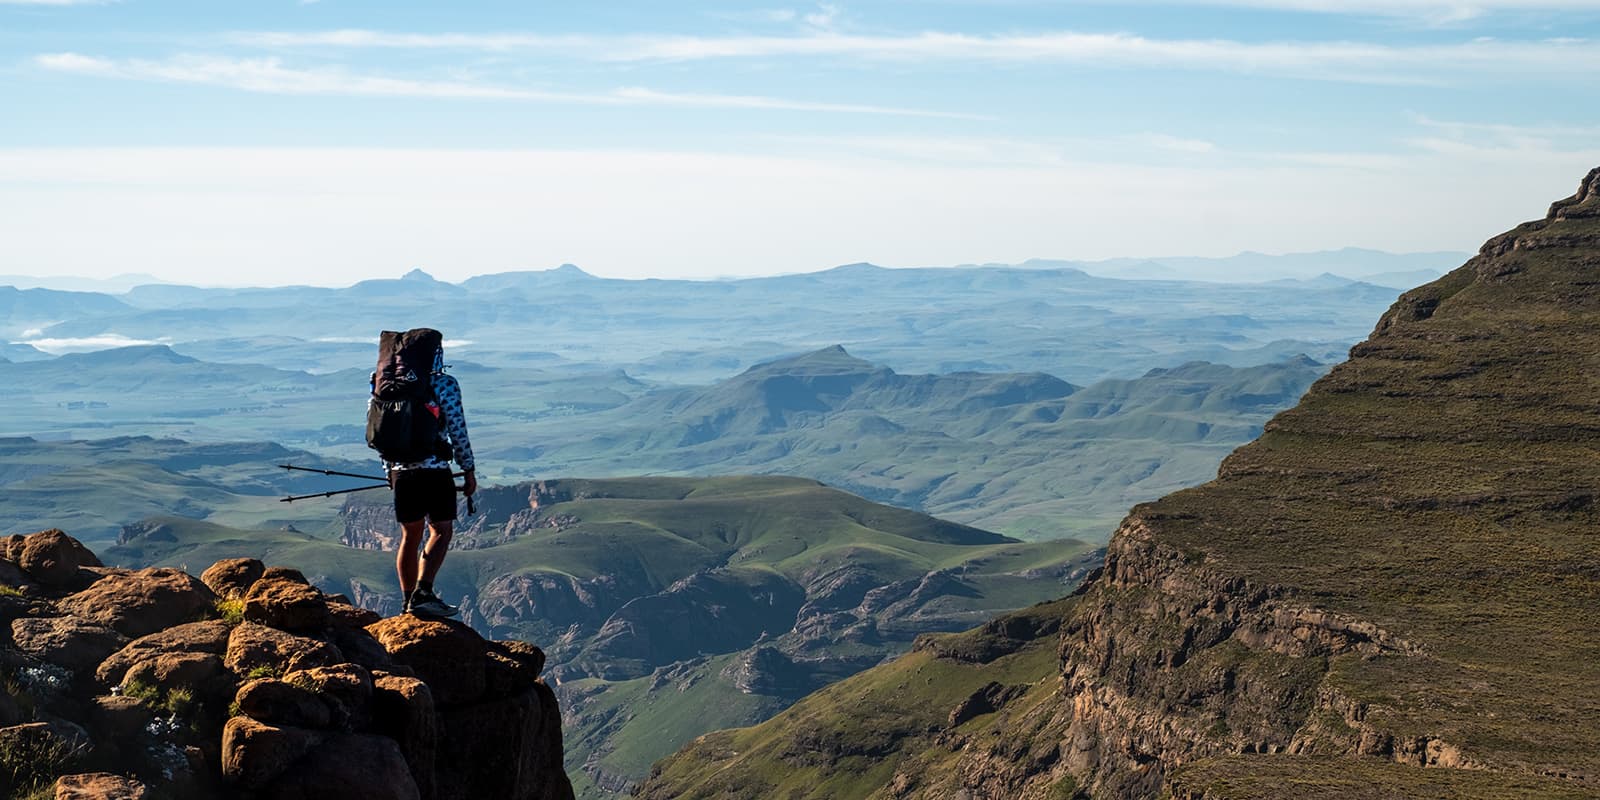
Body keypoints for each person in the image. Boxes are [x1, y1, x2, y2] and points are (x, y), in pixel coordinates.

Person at [380, 341, 477, 618]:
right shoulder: (444, 384)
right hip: (434, 470)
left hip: (400, 471)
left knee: (410, 535)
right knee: (441, 530)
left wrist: (388, 470)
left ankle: (407, 600)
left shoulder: (385, 385)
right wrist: (468, 468)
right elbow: (457, 428)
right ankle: (423, 594)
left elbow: (381, 432)